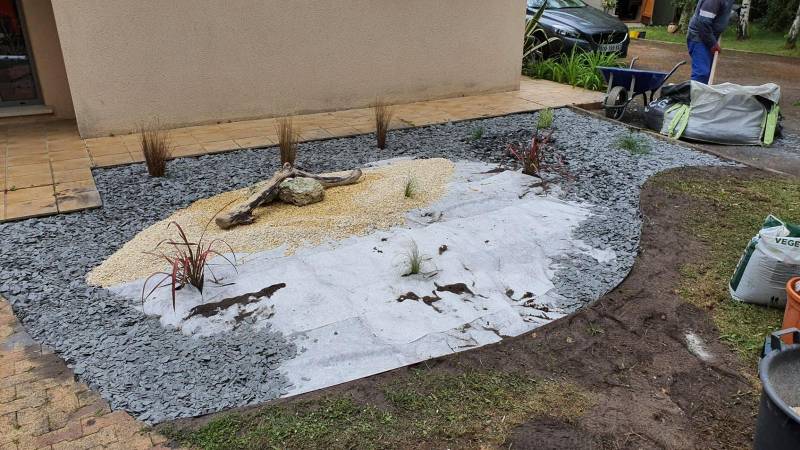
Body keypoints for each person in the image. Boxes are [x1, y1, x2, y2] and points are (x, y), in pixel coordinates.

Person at [686, 0, 734, 84]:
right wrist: (713, 43)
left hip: (709, 36)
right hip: (700, 37)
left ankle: (701, 95)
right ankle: (696, 96)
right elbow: (703, 22)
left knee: (707, 75)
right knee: (702, 73)